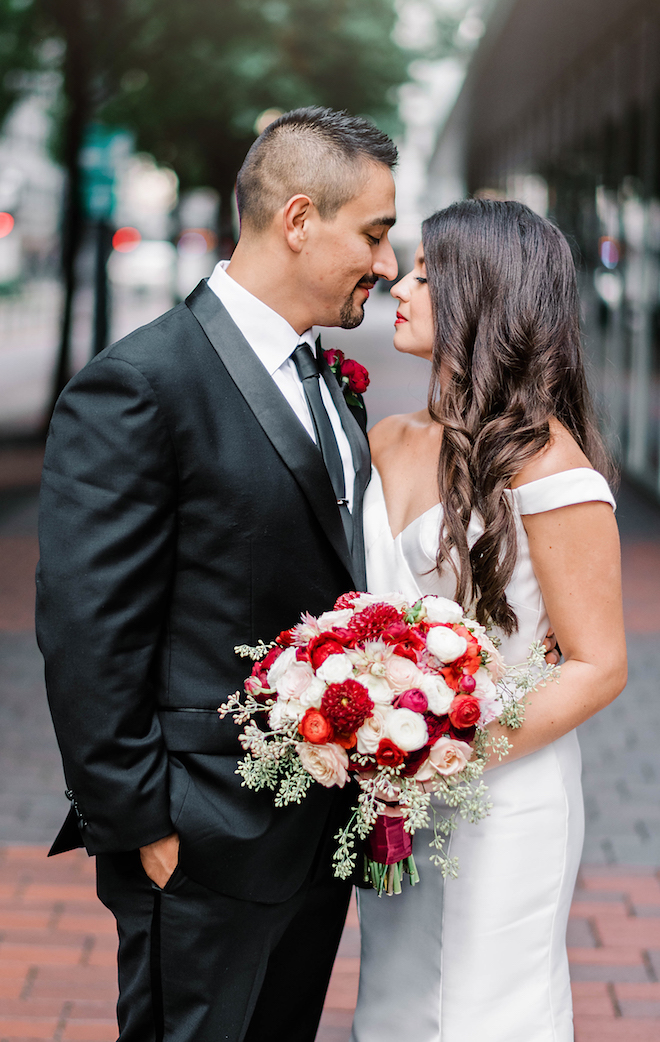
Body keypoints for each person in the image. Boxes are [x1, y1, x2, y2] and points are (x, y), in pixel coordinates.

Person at [36, 106, 399, 1042]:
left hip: (313, 832)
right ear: (300, 219)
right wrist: (145, 825)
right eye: (375, 233)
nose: (387, 265)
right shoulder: (142, 384)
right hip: (198, 842)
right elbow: (86, 629)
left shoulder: (322, 376)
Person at [351, 200, 627, 1042]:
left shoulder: (548, 461)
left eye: (428, 276)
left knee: (485, 1014)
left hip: (504, 789)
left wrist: (446, 753)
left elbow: (598, 663)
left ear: (484, 296)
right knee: (395, 1009)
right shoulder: (387, 438)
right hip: (392, 793)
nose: (397, 283)